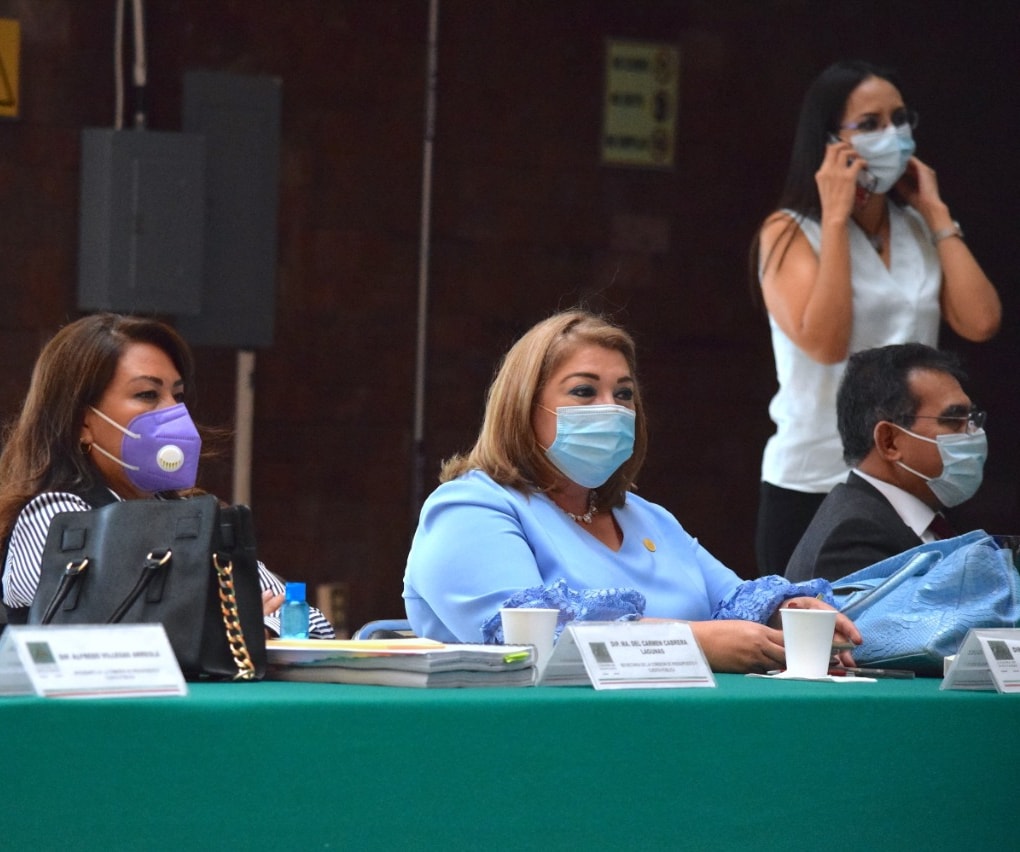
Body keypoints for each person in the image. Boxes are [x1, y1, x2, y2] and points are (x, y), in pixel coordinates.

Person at [403, 309, 860, 674]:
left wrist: (785, 613)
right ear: (524, 407)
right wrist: (698, 643)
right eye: (584, 391)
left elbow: (731, 602)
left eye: (623, 395)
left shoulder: (647, 517)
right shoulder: (470, 507)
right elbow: (529, 642)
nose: (612, 409)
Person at [751, 59, 1000, 576]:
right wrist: (835, 216)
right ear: (829, 140)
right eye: (870, 124)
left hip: (911, 476)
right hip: (812, 477)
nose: (893, 135)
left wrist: (935, 213)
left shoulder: (914, 227)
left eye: (900, 119)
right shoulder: (790, 231)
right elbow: (826, 343)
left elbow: (981, 320)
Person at [0, 313, 335, 639]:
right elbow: (104, 630)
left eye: (178, 395)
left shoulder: (194, 518)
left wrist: (261, 626)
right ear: (82, 423)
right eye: (147, 394)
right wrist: (230, 625)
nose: (174, 412)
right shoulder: (56, 516)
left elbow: (310, 623)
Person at [785, 343, 986, 582]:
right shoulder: (854, 537)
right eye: (953, 420)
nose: (974, 433)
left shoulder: (918, 518)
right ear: (889, 442)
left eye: (972, 419)